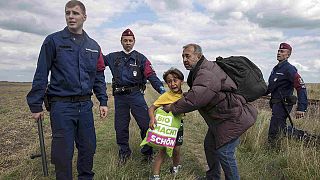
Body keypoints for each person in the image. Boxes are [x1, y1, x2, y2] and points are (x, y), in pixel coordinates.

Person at [26, 1, 108, 179]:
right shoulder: (52, 41)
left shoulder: (94, 46)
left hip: (85, 106)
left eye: (75, 13)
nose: (71, 16)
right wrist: (35, 105)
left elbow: (99, 76)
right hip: (61, 107)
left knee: (88, 148)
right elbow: (41, 73)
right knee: (63, 154)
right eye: (68, 13)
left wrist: (103, 101)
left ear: (84, 17)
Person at [163, 44, 257, 180]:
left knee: (225, 153)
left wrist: (173, 107)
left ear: (198, 56)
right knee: (210, 146)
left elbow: (196, 98)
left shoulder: (206, 72)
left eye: (187, 56)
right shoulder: (201, 70)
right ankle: (213, 177)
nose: (184, 59)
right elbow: (199, 92)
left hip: (231, 118)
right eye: (183, 56)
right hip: (221, 118)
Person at [104, 28, 165, 164]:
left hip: (136, 95)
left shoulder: (141, 58)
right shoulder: (112, 57)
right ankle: (124, 153)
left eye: (130, 40)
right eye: (125, 40)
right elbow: (97, 62)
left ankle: (148, 153)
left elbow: (151, 75)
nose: (128, 43)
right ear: (121, 41)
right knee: (120, 127)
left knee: (145, 124)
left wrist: (163, 91)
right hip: (120, 97)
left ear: (134, 42)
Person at [266, 42, 308, 147]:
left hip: (284, 104)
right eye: (278, 51)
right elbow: (270, 88)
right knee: (279, 127)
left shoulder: (289, 69)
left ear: (288, 55)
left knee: (277, 128)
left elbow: (301, 87)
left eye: (282, 51)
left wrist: (301, 108)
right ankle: (305, 138)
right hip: (275, 104)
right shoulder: (275, 69)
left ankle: (306, 138)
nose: (279, 53)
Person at [149, 68, 185, 180]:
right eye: (169, 81)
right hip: (167, 127)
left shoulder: (185, 95)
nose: (173, 83)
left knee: (177, 150)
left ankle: (175, 169)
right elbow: (152, 107)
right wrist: (152, 118)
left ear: (182, 81)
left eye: (175, 80)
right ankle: (155, 176)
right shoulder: (165, 96)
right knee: (163, 150)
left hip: (178, 126)